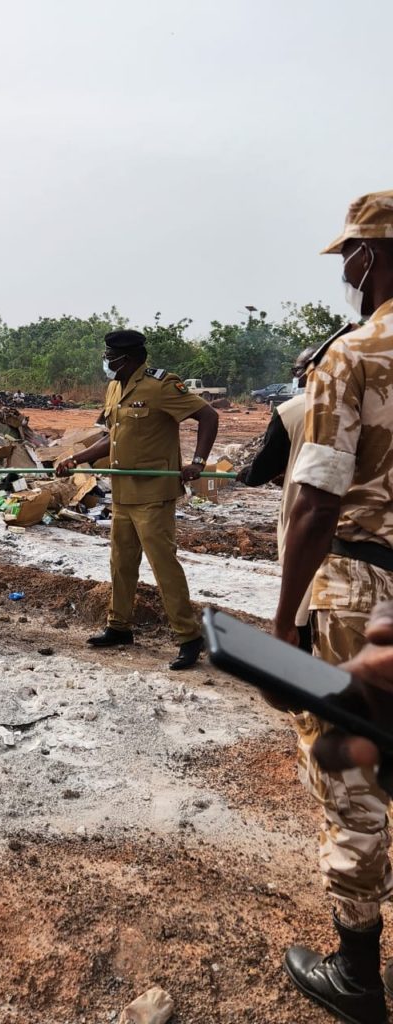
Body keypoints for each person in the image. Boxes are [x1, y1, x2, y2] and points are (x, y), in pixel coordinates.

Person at [273, 190, 393, 1024]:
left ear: (373, 253)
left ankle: (356, 973)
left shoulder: (355, 355)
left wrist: (282, 622)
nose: (346, 268)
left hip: (360, 588)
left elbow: (316, 500)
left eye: (350, 253)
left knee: (351, 771)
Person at [56, 328, 218, 670]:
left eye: (109, 358)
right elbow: (112, 439)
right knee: (121, 563)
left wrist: (198, 462)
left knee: (164, 567)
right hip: (123, 493)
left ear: (125, 359)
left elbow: (208, 416)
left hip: (154, 495)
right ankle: (119, 627)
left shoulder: (161, 386)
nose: (105, 362)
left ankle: (188, 637)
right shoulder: (114, 388)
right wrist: (77, 459)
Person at [236, 345, 318, 652]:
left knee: (303, 603)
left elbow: (261, 469)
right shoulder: (372, 404)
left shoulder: (292, 410)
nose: (295, 377)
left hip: (308, 515)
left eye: (297, 371)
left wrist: (246, 474)